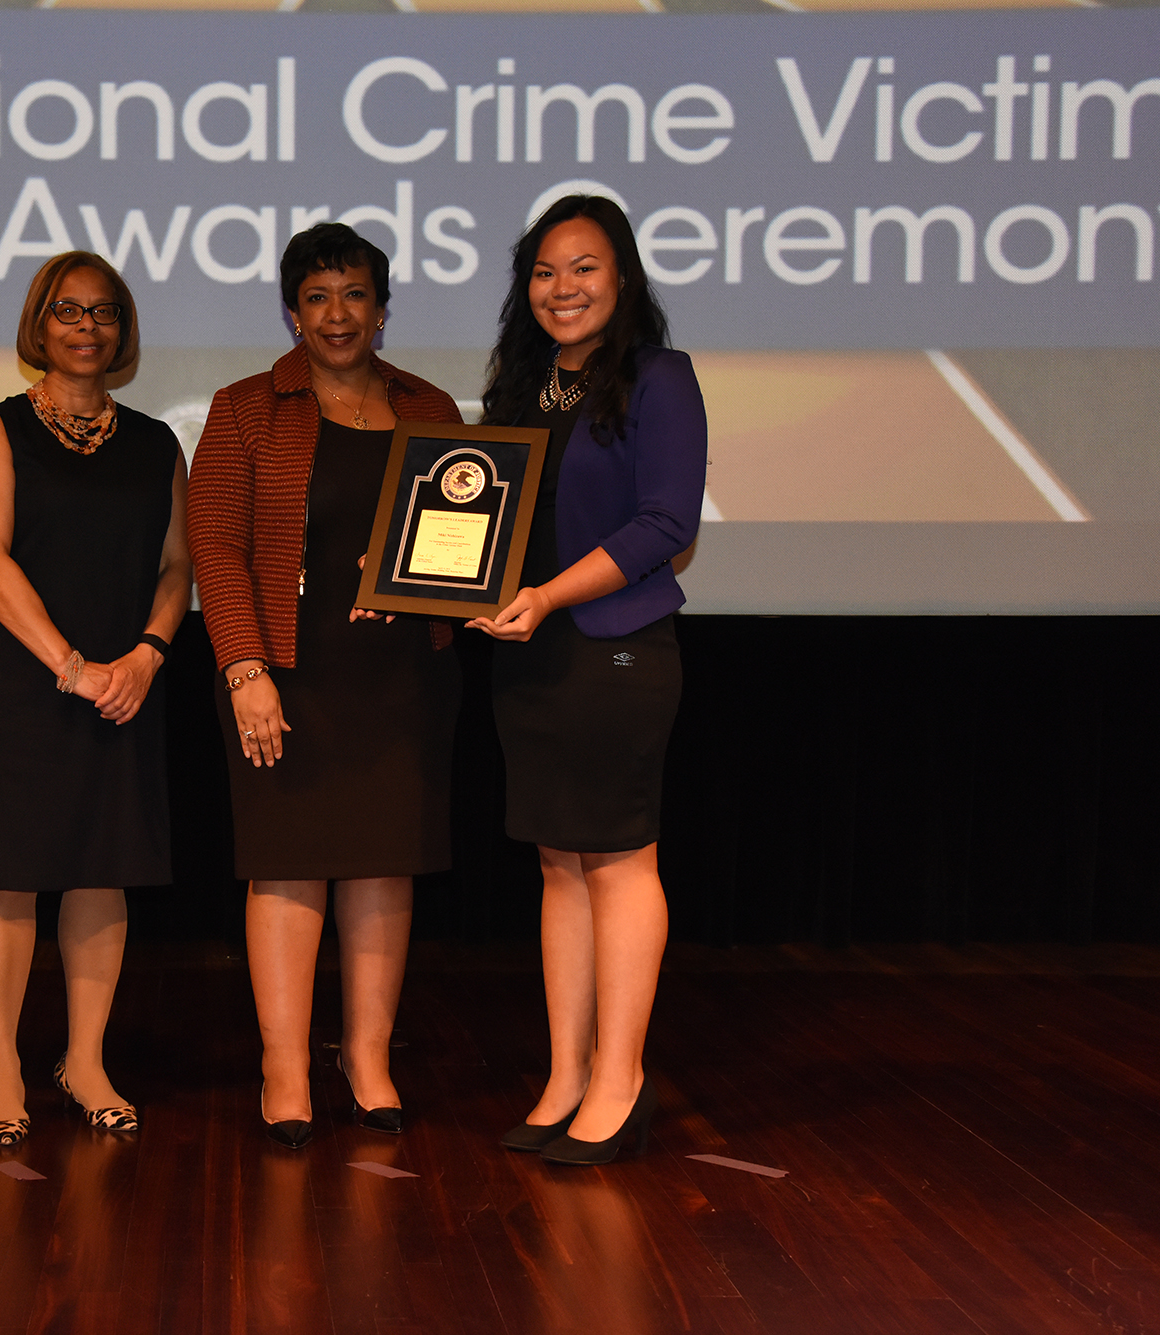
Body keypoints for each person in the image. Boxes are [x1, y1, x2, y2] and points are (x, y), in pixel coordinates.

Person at [189, 223, 463, 1149]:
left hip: (401, 675)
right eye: (317, 296)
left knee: (386, 860)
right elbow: (217, 550)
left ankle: (368, 1055)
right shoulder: (243, 409)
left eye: (354, 295)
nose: (337, 314)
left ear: (382, 311)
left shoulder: (432, 409)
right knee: (289, 860)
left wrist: (418, 580)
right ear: (291, 312)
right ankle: (285, 1066)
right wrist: (244, 667)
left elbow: (467, 542)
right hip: (283, 673)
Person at [468, 195, 707, 1166]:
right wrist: (416, 592)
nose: (561, 289)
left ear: (622, 279)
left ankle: (619, 1078)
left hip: (614, 647)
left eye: (583, 268)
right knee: (555, 865)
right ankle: (565, 1075)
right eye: (542, 271)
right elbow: (480, 531)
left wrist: (546, 594)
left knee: (616, 862)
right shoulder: (523, 393)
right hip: (531, 658)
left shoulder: (659, 379)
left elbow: (663, 527)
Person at [0, 252, 190, 1145]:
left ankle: (84, 1060)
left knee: (102, 869)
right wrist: (72, 665)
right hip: (26, 683)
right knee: (9, 875)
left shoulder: (157, 443)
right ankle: (3, 1065)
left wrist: (146, 656)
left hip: (124, 686)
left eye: (103, 313)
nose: (86, 327)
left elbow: (178, 566)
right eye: (67, 312)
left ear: (122, 330)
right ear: (38, 326)